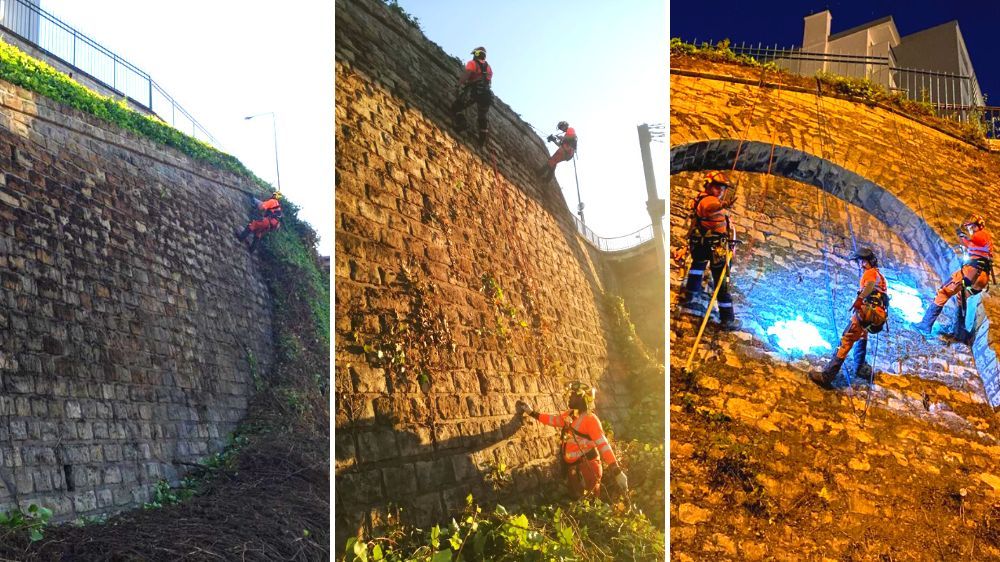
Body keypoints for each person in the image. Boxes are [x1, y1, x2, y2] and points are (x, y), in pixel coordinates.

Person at [517, 381, 627, 498]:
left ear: (582, 399)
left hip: (588, 469)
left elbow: (603, 445)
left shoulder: (591, 419)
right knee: (578, 503)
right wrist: (531, 413)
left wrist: (617, 471)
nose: (569, 397)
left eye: (573, 395)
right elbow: (554, 420)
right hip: (575, 469)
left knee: (588, 506)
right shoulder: (571, 415)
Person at [810, 248, 889, 388]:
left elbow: (869, 286)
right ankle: (859, 366)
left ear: (865, 262)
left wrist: (860, 299)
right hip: (878, 315)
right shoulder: (881, 277)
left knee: (847, 338)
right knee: (862, 334)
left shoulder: (870, 273)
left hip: (867, 311)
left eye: (861, 261)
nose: (860, 264)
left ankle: (827, 376)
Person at [916, 214, 993, 339]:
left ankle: (925, 325)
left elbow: (969, 242)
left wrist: (960, 234)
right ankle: (959, 332)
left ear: (974, 226)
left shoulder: (980, 235)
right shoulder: (987, 239)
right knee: (960, 298)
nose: (969, 230)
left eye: (970, 227)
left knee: (944, 292)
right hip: (982, 278)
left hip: (970, 273)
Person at [678, 171, 738, 329]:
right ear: (709, 185)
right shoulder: (708, 201)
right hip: (714, 248)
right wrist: (723, 205)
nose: (721, 191)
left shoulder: (702, 198)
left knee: (697, 267)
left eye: (723, 188)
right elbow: (710, 207)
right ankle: (727, 318)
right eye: (718, 187)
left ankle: (691, 292)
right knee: (721, 282)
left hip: (703, 244)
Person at [450, 46, 493, 146]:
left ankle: (462, 123)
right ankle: (482, 139)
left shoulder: (472, 63)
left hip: (474, 91)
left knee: (456, 107)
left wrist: (458, 85)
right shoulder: (489, 68)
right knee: (482, 116)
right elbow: (488, 81)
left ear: (477, 54)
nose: (473, 56)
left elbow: (467, 74)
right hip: (487, 95)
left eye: (474, 54)